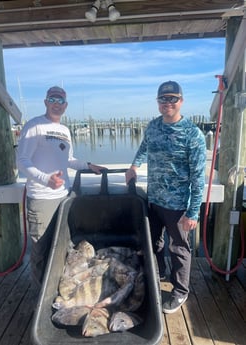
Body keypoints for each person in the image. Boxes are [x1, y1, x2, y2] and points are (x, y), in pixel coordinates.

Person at [125, 81, 206, 314]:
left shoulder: (193, 135)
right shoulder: (153, 127)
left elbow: (198, 177)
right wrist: (134, 166)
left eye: (172, 99)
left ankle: (180, 291)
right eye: (163, 99)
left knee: (179, 248)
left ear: (181, 101)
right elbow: (143, 147)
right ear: (158, 102)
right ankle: (158, 273)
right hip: (154, 200)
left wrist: (193, 212)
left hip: (178, 205)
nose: (167, 103)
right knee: (155, 243)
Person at [17, 86, 104, 289]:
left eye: (61, 100)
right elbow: (21, 161)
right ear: (46, 102)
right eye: (53, 99)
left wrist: (89, 165)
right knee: (41, 249)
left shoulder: (65, 130)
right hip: (42, 199)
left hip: (64, 197)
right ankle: (41, 294)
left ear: (65, 105)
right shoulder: (34, 126)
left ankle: (58, 287)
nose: (57, 104)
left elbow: (69, 159)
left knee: (63, 244)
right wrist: (45, 179)